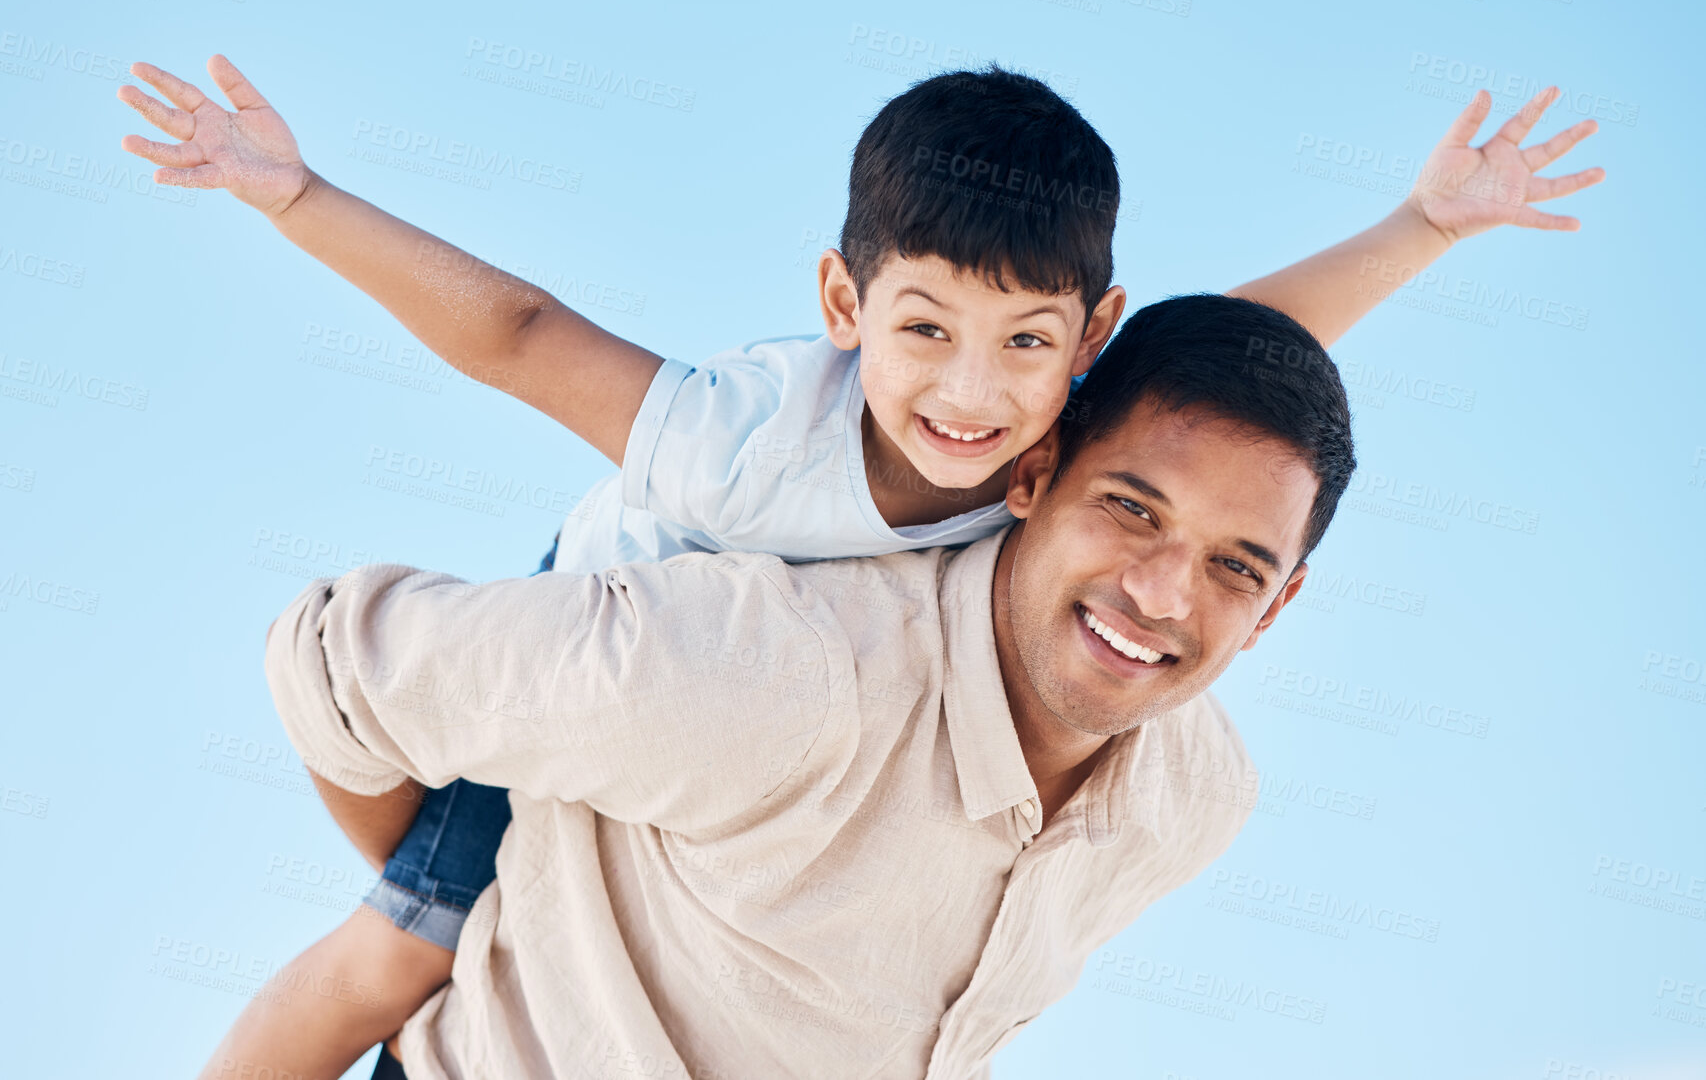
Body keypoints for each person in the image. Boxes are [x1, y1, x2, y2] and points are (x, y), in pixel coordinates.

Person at [115, 59, 1602, 1078]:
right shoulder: (737, 468)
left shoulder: (1159, 725)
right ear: (842, 302)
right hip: (571, 677)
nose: (968, 389)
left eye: (1025, 342)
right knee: (390, 951)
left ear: (1084, 347)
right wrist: (291, 194)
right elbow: (516, 338)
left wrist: (1421, 227)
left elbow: (1233, 356)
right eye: (922, 329)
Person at [260, 292, 1348, 1079]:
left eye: (1233, 565)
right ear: (1032, 472)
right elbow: (338, 660)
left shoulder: (1193, 798)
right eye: (1129, 508)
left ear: (1276, 605)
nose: (1161, 592)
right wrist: (466, 887)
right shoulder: (775, 676)